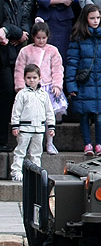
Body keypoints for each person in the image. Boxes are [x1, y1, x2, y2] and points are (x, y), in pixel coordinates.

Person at [65, 4, 101, 155]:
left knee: (100, 116)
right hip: (84, 82)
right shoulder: (78, 37)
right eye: (92, 18)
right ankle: (87, 143)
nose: (95, 21)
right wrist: (71, 86)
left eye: (98, 18)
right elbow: (72, 62)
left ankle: (99, 144)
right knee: (84, 115)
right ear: (85, 18)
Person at [14, 23, 65, 154]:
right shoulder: (25, 51)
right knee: (31, 115)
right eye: (38, 38)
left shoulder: (52, 50)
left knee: (48, 116)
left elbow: (57, 69)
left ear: (48, 37)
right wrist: (20, 86)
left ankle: (50, 143)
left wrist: (57, 84)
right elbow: (19, 69)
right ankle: (31, 144)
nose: (41, 41)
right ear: (33, 37)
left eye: (43, 38)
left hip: (48, 88)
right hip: (30, 88)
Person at [0, 0, 29, 148]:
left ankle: (2, 139)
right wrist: (9, 30)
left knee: (7, 95)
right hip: (2, 55)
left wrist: (20, 32)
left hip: (11, 53)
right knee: (5, 93)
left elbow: (18, 19)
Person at [8, 63, 54, 180]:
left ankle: (36, 173)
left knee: (37, 152)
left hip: (39, 128)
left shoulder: (44, 95)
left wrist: (51, 126)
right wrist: (15, 126)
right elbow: (16, 111)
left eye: (34, 78)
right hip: (25, 128)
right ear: (24, 79)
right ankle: (16, 172)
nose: (32, 80)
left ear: (40, 78)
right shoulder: (22, 94)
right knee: (20, 151)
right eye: (29, 78)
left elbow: (49, 111)